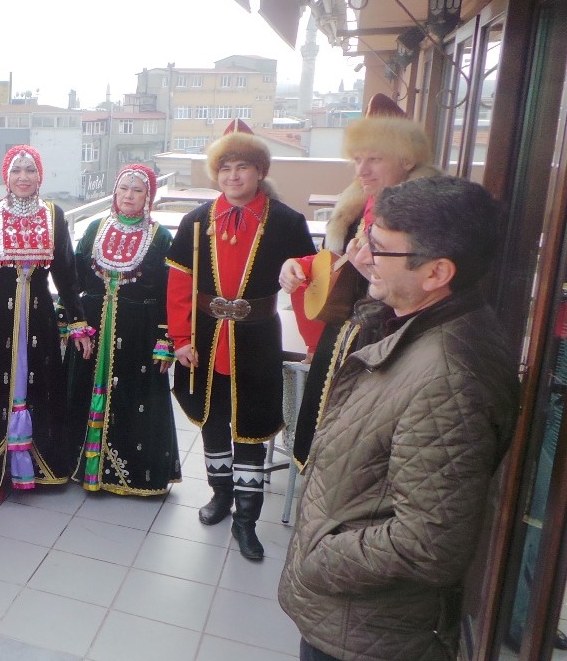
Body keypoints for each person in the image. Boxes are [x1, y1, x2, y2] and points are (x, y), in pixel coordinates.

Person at [278, 176, 516, 661]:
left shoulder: (449, 377)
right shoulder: (411, 324)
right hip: (354, 618)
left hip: (368, 632)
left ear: (436, 273)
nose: (362, 256)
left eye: (380, 248)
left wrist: (319, 556)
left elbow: (428, 542)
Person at [166, 120, 315, 560]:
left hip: (258, 339)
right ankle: (220, 496)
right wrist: (180, 339)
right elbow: (179, 286)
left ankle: (246, 520)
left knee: (249, 424)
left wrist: (312, 334)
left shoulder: (287, 222)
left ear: (260, 171)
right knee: (213, 420)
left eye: (243, 167)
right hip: (206, 338)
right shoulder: (196, 221)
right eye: (225, 168)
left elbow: (309, 279)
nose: (233, 176)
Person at [278, 94, 439, 468]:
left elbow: (422, 289)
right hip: (343, 341)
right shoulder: (358, 206)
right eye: (357, 159)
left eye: (374, 159)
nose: (361, 171)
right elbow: (336, 264)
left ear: (407, 159)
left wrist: (372, 270)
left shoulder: (429, 215)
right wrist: (296, 264)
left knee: (361, 458)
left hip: (389, 348)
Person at [0, 145, 92, 492]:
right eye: (16, 171)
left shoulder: (54, 214)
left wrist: (78, 323)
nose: (23, 177)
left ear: (40, 176)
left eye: (30, 170)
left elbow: (66, 273)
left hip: (39, 315)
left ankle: (36, 465)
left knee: (41, 383)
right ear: (5, 177)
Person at [67, 164, 181, 496]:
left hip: (138, 333)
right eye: (123, 189)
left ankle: (129, 476)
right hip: (93, 329)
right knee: (84, 391)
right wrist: (73, 321)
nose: (129, 196)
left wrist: (165, 339)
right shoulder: (95, 227)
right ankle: (83, 468)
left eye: (137, 190)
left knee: (134, 398)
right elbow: (73, 277)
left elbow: (169, 292)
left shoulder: (160, 237)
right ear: (114, 193)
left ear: (149, 196)